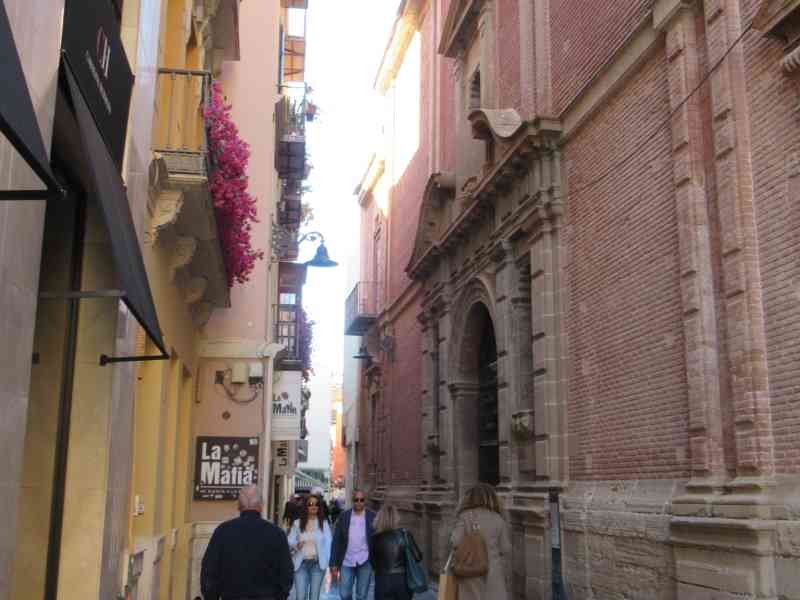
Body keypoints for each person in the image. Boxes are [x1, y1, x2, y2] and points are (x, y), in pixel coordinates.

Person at [201, 484, 294, 600]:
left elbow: (209, 571)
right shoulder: (277, 534)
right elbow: (286, 573)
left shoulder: (222, 531)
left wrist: (211, 596)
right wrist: (279, 597)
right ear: (261, 505)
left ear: (238, 506)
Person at [450, 482, 511, 600]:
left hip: (470, 569)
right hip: (493, 571)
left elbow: (455, 541)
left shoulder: (465, 516)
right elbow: (505, 548)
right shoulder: (498, 518)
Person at [369, 504, 423, 600]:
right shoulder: (405, 534)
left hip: (382, 581)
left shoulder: (374, 538)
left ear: (380, 518)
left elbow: (372, 563)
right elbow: (418, 557)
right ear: (396, 518)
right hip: (402, 581)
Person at [330, 489, 376, 600]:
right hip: (347, 560)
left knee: (362, 595)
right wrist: (333, 563)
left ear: (365, 501)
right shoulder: (344, 516)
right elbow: (336, 540)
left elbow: (377, 539)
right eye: (356, 500)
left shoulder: (372, 517)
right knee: (344, 594)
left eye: (361, 500)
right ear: (352, 500)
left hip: (365, 560)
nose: (359, 502)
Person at [288, 494, 333, 600]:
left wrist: (326, 561)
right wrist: (296, 545)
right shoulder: (297, 523)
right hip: (301, 564)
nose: (314, 506)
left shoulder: (324, 524)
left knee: (314, 597)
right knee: (300, 597)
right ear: (306, 506)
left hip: (317, 565)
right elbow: (289, 540)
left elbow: (329, 544)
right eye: (310, 504)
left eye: (316, 504)